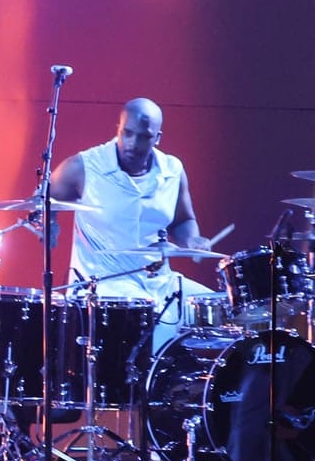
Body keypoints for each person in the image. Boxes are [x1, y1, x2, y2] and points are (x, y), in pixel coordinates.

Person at [49, 97, 215, 352]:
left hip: (161, 281)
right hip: (102, 283)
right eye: (127, 133)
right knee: (150, 320)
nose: (132, 144)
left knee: (219, 309)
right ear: (118, 128)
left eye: (144, 137)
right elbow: (43, 201)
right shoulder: (84, 166)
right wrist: (49, 225)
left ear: (157, 138)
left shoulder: (172, 170)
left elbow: (183, 220)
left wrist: (193, 239)